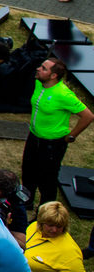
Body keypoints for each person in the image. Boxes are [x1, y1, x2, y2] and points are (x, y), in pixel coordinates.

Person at [21, 57, 93, 207]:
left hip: (52, 144)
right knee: (28, 171)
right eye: (41, 66)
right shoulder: (39, 83)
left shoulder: (63, 94)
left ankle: (45, 211)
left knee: (47, 179)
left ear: (53, 76)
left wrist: (71, 136)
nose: (38, 69)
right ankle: (26, 202)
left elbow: (88, 116)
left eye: (44, 68)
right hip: (34, 137)